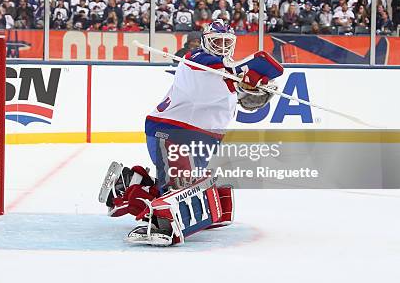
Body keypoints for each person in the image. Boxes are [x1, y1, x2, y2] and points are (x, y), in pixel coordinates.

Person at [98, 20, 279, 246]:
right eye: (216, 41)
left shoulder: (228, 72)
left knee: (182, 188)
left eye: (226, 42)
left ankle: (128, 185)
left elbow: (244, 101)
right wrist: (243, 74)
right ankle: (159, 223)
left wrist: (254, 91)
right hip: (172, 131)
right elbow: (213, 72)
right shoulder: (195, 60)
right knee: (179, 189)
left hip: (201, 140)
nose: (222, 46)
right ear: (205, 42)